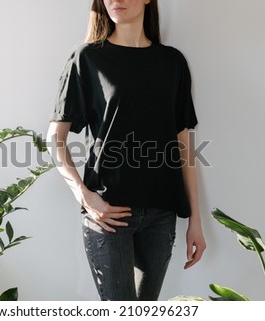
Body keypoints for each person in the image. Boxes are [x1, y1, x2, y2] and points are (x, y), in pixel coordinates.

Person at [47, 0, 206, 301]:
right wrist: (84, 195)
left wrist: (195, 220)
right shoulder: (87, 59)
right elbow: (55, 138)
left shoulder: (172, 63)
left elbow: (184, 146)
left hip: (161, 214)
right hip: (108, 213)